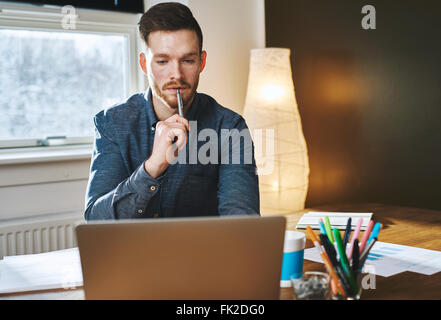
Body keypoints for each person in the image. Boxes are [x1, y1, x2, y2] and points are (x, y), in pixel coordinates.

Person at [84, 2, 259, 220]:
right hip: (133, 253)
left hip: (202, 253)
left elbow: (241, 222)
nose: (176, 74)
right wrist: (152, 167)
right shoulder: (111, 123)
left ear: (202, 62)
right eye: (162, 61)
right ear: (144, 63)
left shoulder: (230, 127)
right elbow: (96, 220)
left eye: (187, 60)